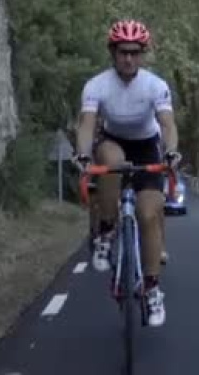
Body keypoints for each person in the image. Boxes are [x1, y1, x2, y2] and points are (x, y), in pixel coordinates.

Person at [73, 19, 181, 327]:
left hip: (147, 147)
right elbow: (87, 125)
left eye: (135, 52)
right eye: (123, 52)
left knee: (149, 214)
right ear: (113, 52)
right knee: (112, 160)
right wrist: (82, 154)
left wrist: (171, 152)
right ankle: (106, 231)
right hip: (113, 141)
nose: (129, 59)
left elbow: (167, 125)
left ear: (142, 54)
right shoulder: (96, 85)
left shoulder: (155, 85)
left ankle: (152, 288)